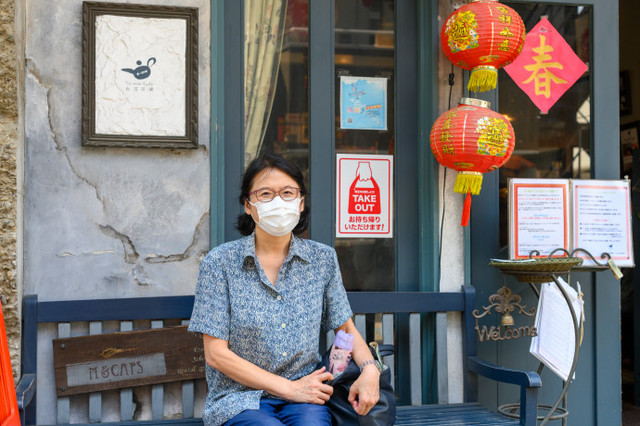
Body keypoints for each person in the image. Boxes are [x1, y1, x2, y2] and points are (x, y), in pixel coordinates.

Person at [189, 154, 380, 426]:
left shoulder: (321, 260)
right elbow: (216, 354)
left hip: (306, 395)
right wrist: (287, 388)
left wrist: (371, 370)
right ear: (248, 205)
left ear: (300, 203)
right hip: (240, 399)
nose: (278, 201)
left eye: (288, 193)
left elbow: (345, 329)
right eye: (265, 193)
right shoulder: (219, 263)